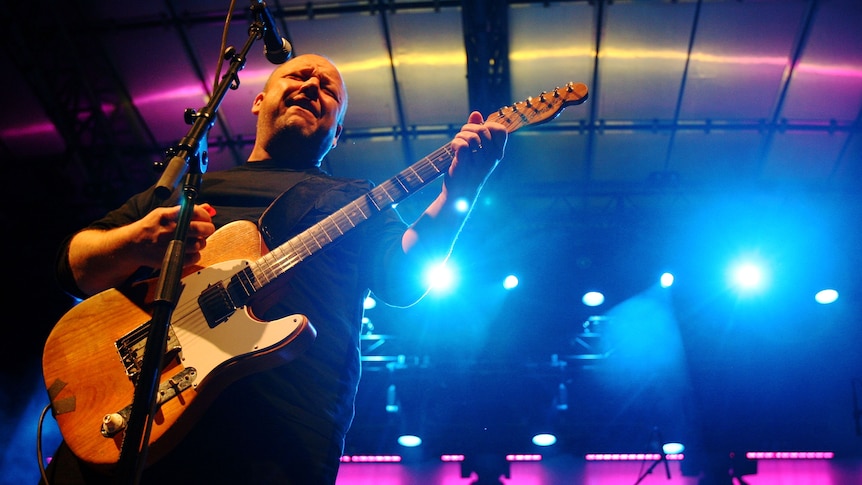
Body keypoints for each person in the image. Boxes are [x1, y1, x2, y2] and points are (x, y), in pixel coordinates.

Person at [43, 53, 507, 484]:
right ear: (259, 100)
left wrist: (456, 194)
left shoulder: (354, 197)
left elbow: (402, 281)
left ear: (338, 131)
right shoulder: (188, 193)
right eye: (299, 75)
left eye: (328, 89)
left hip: (277, 441)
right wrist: (135, 241)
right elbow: (73, 267)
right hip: (130, 423)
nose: (311, 85)